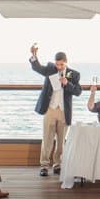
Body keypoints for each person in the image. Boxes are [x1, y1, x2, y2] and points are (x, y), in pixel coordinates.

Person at [29, 44, 82, 177]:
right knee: (47, 138)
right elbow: (37, 68)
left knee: (61, 140)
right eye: (57, 64)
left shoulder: (74, 74)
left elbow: (78, 91)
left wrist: (67, 84)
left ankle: (57, 164)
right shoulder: (50, 69)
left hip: (64, 111)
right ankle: (44, 165)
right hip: (50, 109)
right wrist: (34, 56)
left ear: (66, 62)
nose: (59, 67)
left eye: (61, 64)